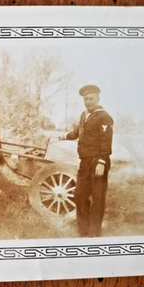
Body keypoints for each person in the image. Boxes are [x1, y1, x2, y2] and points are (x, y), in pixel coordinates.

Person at [59, 84, 114, 237]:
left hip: (98, 162)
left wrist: (102, 162)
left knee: (98, 198)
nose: (88, 102)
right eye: (85, 99)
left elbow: (106, 141)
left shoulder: (104, 117)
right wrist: (64, 136)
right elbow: (78, 132)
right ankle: (83, 231)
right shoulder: (84, 115)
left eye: (91, 99)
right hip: (84, 162)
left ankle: (94, 233)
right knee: (79, 195)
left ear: (98, 99)